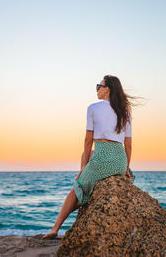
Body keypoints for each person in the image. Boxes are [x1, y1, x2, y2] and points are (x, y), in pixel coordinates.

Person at [42, 74, 136, 240]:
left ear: (107, 90)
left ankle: (55, 228)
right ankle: (84, 196)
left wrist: (82, 169)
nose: (97, 89)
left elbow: (88, 140)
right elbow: (128, 145)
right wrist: (126, 167)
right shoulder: (125, 112)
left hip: (103, 156)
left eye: (99, 86)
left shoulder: (93, 108)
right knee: (86, 155)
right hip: (120, 159)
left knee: (76, 188)